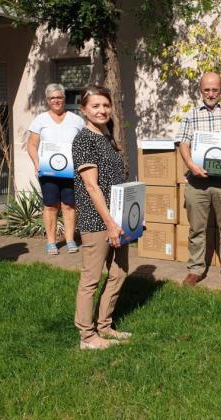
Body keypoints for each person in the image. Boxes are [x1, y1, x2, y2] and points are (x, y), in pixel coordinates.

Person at [72, 84, 132, 350]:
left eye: (106, 105)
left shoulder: (108, 138)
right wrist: (110, 224)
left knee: (119, 272)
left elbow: (117, 182)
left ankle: (104, 326)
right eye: (95, 105)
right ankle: (87, 336)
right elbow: (92, 186)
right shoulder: (84, 140)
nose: (102, 110)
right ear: (83, 109)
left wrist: (131, 216)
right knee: (91, 279)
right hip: (97, 221)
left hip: (117, 219)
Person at [176, 71, 221, 288]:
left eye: (215, 90)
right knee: (197, 229)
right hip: (198, 181)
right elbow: (183, 143)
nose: (210, 94)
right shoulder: (190, 116)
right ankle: (195, 269)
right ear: (200, 91)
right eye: (206, 90)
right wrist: (191, 165)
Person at [27, 83, 85, 255]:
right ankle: (51, 242)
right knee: (50, 206)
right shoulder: (40, 120)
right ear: (47, 100)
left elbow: (83, 145)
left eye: (59, 97)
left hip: (71, 171)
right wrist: (37, 163)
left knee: (69, 205)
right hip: (48, 171)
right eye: (52, 98)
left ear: (64, 99)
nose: (56, 100)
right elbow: (31, 145)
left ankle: (70, 240)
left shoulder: (77, 120)